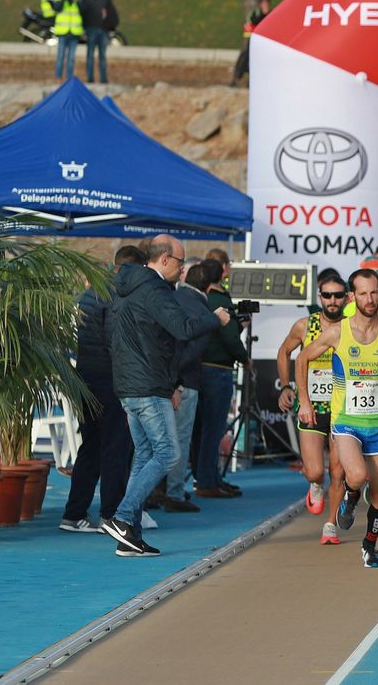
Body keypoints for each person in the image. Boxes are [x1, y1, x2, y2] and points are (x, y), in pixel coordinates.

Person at [103, 236, 229, 557]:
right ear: (163, 260)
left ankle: (128, 535)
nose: (184, 267)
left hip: (131, 385)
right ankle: (121, 516)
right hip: (147, 386)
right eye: (180, 261)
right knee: (168, 454)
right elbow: (183, 328)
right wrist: (215, 318)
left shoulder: (128, 287)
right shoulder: (153, 289)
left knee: (145, 456)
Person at [297, 269, 378, 568]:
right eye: (362, 293)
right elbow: (301, 358)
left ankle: (369, 546)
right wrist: (305, 401)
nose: (370, 299)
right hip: (347, 420)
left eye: (374, 292)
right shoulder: (338, 332)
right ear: (353, 297)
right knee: (357, 476)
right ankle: (349, 495)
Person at [60, 245, 146, 535]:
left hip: (85, 376)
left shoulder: (88, 293)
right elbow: (115, 342)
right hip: (111, 380)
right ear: (135, 269)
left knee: (91, 446)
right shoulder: (116, 296)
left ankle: (74, 514)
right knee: (115, 448)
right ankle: (110, 515)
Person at [276, 271, 349, 544]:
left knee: (339, 470)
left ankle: (330, 525)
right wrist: (287, 387)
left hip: (342, 409)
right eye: (327, 295)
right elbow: (284, 352)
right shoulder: (305, 326)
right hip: (311, 407)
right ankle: (314, 485)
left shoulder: (351, 327)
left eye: (338, 295)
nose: (332, 300)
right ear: (320, 298)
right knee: (316, 471)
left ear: (346, 298)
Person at [159, 261, 216, 512]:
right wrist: (177, 379)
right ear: (210, 287)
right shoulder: (202, 310)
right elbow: (193, 349)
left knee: (156, 440)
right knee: (180, 438)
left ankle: (155, 491)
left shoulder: (171, 297)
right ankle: (173, 493)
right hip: (184, 383)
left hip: (161, 380)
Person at [195, 258, 248, 498]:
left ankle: (209, 477)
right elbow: (230, 337)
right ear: (222, 274)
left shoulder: (198, 300)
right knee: (213, 430)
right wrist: (245, 358)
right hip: (218, 370)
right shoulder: (221, 302)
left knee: (203, 429)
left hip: (199, 370)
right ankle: (208, 481)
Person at [78, 0, 119, 84]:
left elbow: (112, 12)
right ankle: (90, 78)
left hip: (103, 30)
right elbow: (81, 14)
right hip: (91, 31)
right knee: (90, 55)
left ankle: (103, 79)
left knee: (102, 56)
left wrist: (110, 24)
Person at [231, 0, 272, 87]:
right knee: (245, 58)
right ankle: (236, 78)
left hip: (267, 43)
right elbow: (248, 26)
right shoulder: (254, 14)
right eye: (263, 3)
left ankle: (252, 82)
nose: (265, 5)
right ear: (260, 4)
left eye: (267, 3)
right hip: (254, 41)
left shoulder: (272, 14)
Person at [53, 0, 82, 82]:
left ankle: (69, 79)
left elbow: (83, 11)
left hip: (74, 33)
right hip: (63, 33)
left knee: (71, 59)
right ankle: (58, 77)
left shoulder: (76, 2)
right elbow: (56, 8)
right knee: (61, 57)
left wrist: (77, 1)